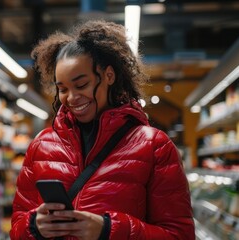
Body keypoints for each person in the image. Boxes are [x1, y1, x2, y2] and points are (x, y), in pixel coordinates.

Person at [10, 20, 195, 240]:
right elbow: (17, 228)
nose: (71, 97)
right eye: (62, 89)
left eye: (81, 85)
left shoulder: (155, 147)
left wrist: (108, 230)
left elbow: (179, 235)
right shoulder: (41, 145)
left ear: (109, 75)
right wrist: (34, 226)